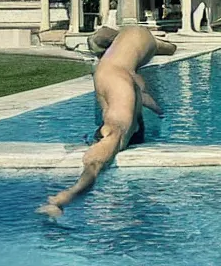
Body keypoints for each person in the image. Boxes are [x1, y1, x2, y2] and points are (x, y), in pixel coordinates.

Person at [36, 26, 174, 217]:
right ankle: (106, 40)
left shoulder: (118, 122)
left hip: (134, 45)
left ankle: (105, 41)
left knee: (102, 42)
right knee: (164, 47)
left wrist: (66, 196)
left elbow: (95, 163)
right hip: (139, 39)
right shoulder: (121, 108)